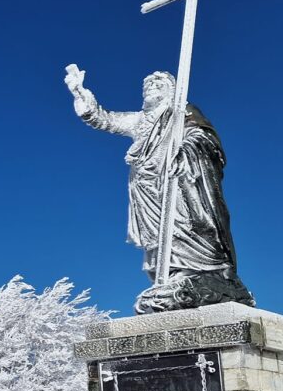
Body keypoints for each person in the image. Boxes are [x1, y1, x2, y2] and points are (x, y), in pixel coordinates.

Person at [64, 66, 254, 313]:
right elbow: (104, 119)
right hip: (147, 188)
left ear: (171, 91)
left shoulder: (182, 112)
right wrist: (79, 92)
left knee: (185, 224)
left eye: (158, 85)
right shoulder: (140, 120)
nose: (150, 89)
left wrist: (186, 152)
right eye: (147, 86)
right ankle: (171, 274)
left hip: (178, 182)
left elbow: (203, 137)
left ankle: (197, 273)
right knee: (156, 236)